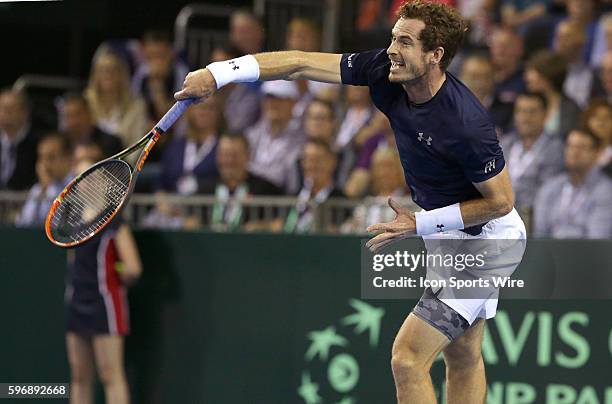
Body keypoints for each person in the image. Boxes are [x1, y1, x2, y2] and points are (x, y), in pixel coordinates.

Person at [175, 1, 526, 403]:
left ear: (435, 56)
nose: (392, 48)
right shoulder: (385, 68)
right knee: (462, 353)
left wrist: (420, 223)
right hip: (448, 234)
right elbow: (300, 63)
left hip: (488, 241)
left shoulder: (466, 123)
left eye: (405, 42)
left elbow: (501, 203)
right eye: (394, 37)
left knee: (407, 359)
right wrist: (218, 73)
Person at [64, 153, 142, 404]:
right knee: (79, 376)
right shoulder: (73, 221)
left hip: (105, 304)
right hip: (77, 302)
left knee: (110, 375)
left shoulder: (114, 221)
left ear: (102, 180)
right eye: (80, 177)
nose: (83, 182)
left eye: (89, 176)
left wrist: (113, 272)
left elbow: (132, 268)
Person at [533, 128, 612, 238]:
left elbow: (597, 240)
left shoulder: (605, 191)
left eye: (581, 147)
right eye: (570, 146)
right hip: (549, 253)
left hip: (586, 254)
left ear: (597, 153)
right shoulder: (550, 187)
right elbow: (540, 234)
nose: (574, 152)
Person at [199, 134, 281, 231]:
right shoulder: (204, 190)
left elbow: (279, 223)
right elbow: (190, 221)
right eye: (225, 155)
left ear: (248, 156)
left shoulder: (266, 190)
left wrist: (263, 226)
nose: (229, 161)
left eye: (235, 155)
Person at [500, 92, 564, 210]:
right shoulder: (504, 144)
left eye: (532, 112)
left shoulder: (554, 149)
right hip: (500, 215)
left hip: (532, 216)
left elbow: (547, 193)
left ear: (545, 114)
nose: (525, 118)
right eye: (520, 111)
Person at [244, 80, 305, 191]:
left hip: (281, 196)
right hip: (251, 196)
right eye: (269, 98)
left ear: (293, 103)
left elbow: (284, 175)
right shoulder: (252, 134)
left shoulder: (300, 137)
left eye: (280, 99)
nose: (273, 104)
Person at [85, 45, 149, 146]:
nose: (108, 75)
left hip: (123, 160)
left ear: (122, 74)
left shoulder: (137, 106)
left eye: (113, 70)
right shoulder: (85, 103)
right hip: (89, 160)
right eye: (103, 70)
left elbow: (137, 147)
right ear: (95, 74)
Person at [157, 96, 222, 194]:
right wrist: (161, 199)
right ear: (189, 111)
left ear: (218, 113)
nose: (204, 112)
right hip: (172, 206)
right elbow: (160, 182)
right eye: (200, 106)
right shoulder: (175, 147)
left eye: (210, 108)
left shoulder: (223, 148)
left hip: (207, 207)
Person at [16, 133, 72, 227]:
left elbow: (55, 225)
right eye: (41, 158)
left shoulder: (77, 185)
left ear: (67, 158)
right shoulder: (38, 189)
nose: (45, 164)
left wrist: (49, 187)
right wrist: (44, 188)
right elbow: (25, 223)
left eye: (51, 157)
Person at [131, 30, 189, 122]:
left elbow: (172, 118)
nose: (155, 63)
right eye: (150, 57)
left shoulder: (182, 74)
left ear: (171, 53)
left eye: (159, 56)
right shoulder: (142, 73)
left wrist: (156, 85)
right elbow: (134, 107)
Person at [524, 50, 581, 138]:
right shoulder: (525, 103)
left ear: (547, 76)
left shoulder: (570, 108)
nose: (527, 77)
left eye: (532, 72)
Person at [60, 93, 123, 157]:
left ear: (89, 113)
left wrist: (99, 156)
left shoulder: (111, 143)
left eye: (77, 114)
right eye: (68, 116)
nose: (73, 122)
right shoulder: (60, 144)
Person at [0, 89, 40, 190]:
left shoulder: (39, 143)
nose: (5, 114)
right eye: (2, 109)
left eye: (10, 109)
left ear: (24, 112)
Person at [553, 19, 594, 108]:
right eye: (559, 37)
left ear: (581, 43)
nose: (561, 42)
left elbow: (581, 105)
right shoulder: (546, 70)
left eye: (567, 38)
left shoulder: (589, 74)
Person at [581, 98, 612, 166]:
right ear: (587, 120)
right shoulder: (580, 148)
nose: (601, 122)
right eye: (596, 117)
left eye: (607, 117)